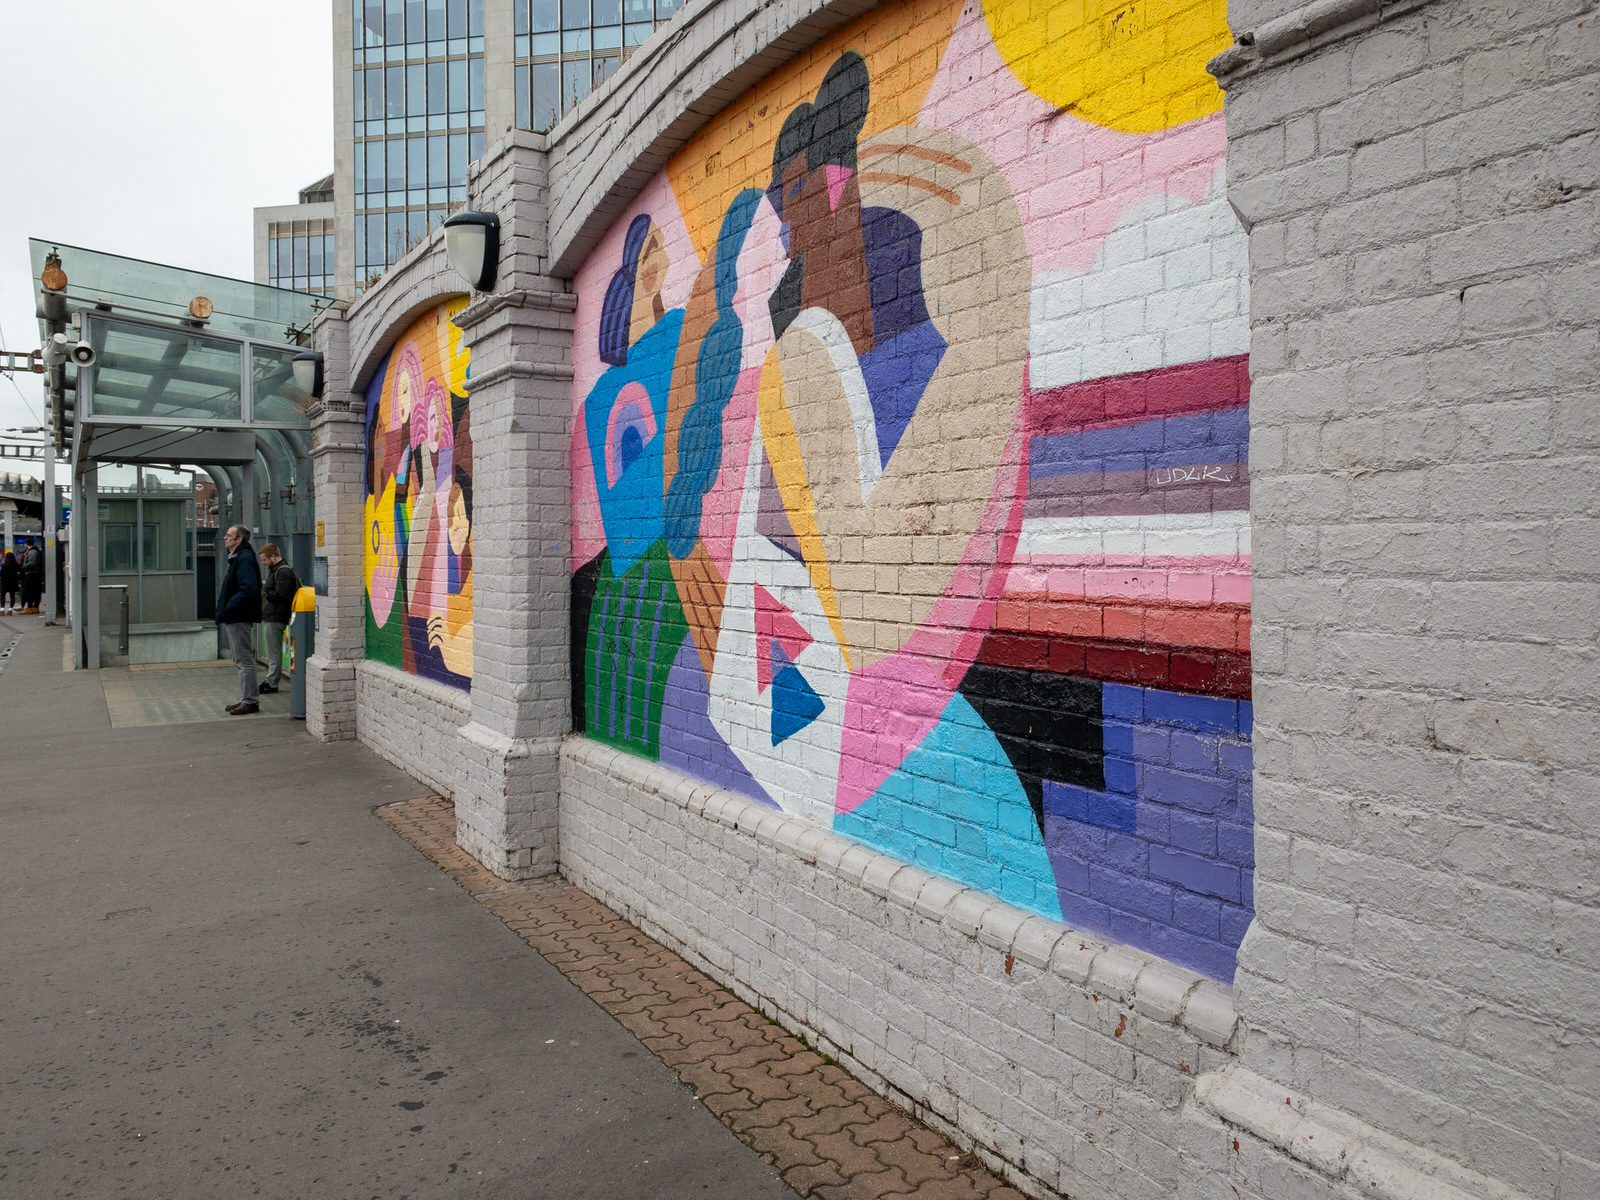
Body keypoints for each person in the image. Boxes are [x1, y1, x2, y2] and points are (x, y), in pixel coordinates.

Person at [217, 524, 262, 715]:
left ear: (239, 539)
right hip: (236, 615)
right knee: (241, 659)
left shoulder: (243, 558)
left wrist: (229, 607)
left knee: (244, 659)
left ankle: (250, 701)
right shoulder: (238, 557)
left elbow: (249, 588)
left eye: (229, 535)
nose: (225, 538)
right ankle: (246, 698)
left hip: (239, 616)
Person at [256, 543, 300, 695]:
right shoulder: (281, 570)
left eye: (264, 560)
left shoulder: (282, 572)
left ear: (273, 556)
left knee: (273, 652)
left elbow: (280, 595)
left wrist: (265, 591)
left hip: (276, 616)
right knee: (272, 652)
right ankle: (271, 680)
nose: (264, 563)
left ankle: (271, 682)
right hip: (276, 615)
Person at [18, 541, 43, 614]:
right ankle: (35, 607)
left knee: (28, 591)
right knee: (35, 591)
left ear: (26, 544)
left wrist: (22, 567)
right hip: (35, 574)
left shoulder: (32, 552)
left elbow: (32, 563)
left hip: (31, 574)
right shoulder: (34, 551)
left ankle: (30, 607)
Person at [0, 550, 18, 615]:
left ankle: (2, 610)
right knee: (12, 596)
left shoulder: (4, 565)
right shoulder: (16, 565)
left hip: (4, 583)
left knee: (2, 596)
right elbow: (20, 573)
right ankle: (10, 610)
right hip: (13, 583)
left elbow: (1, 574)